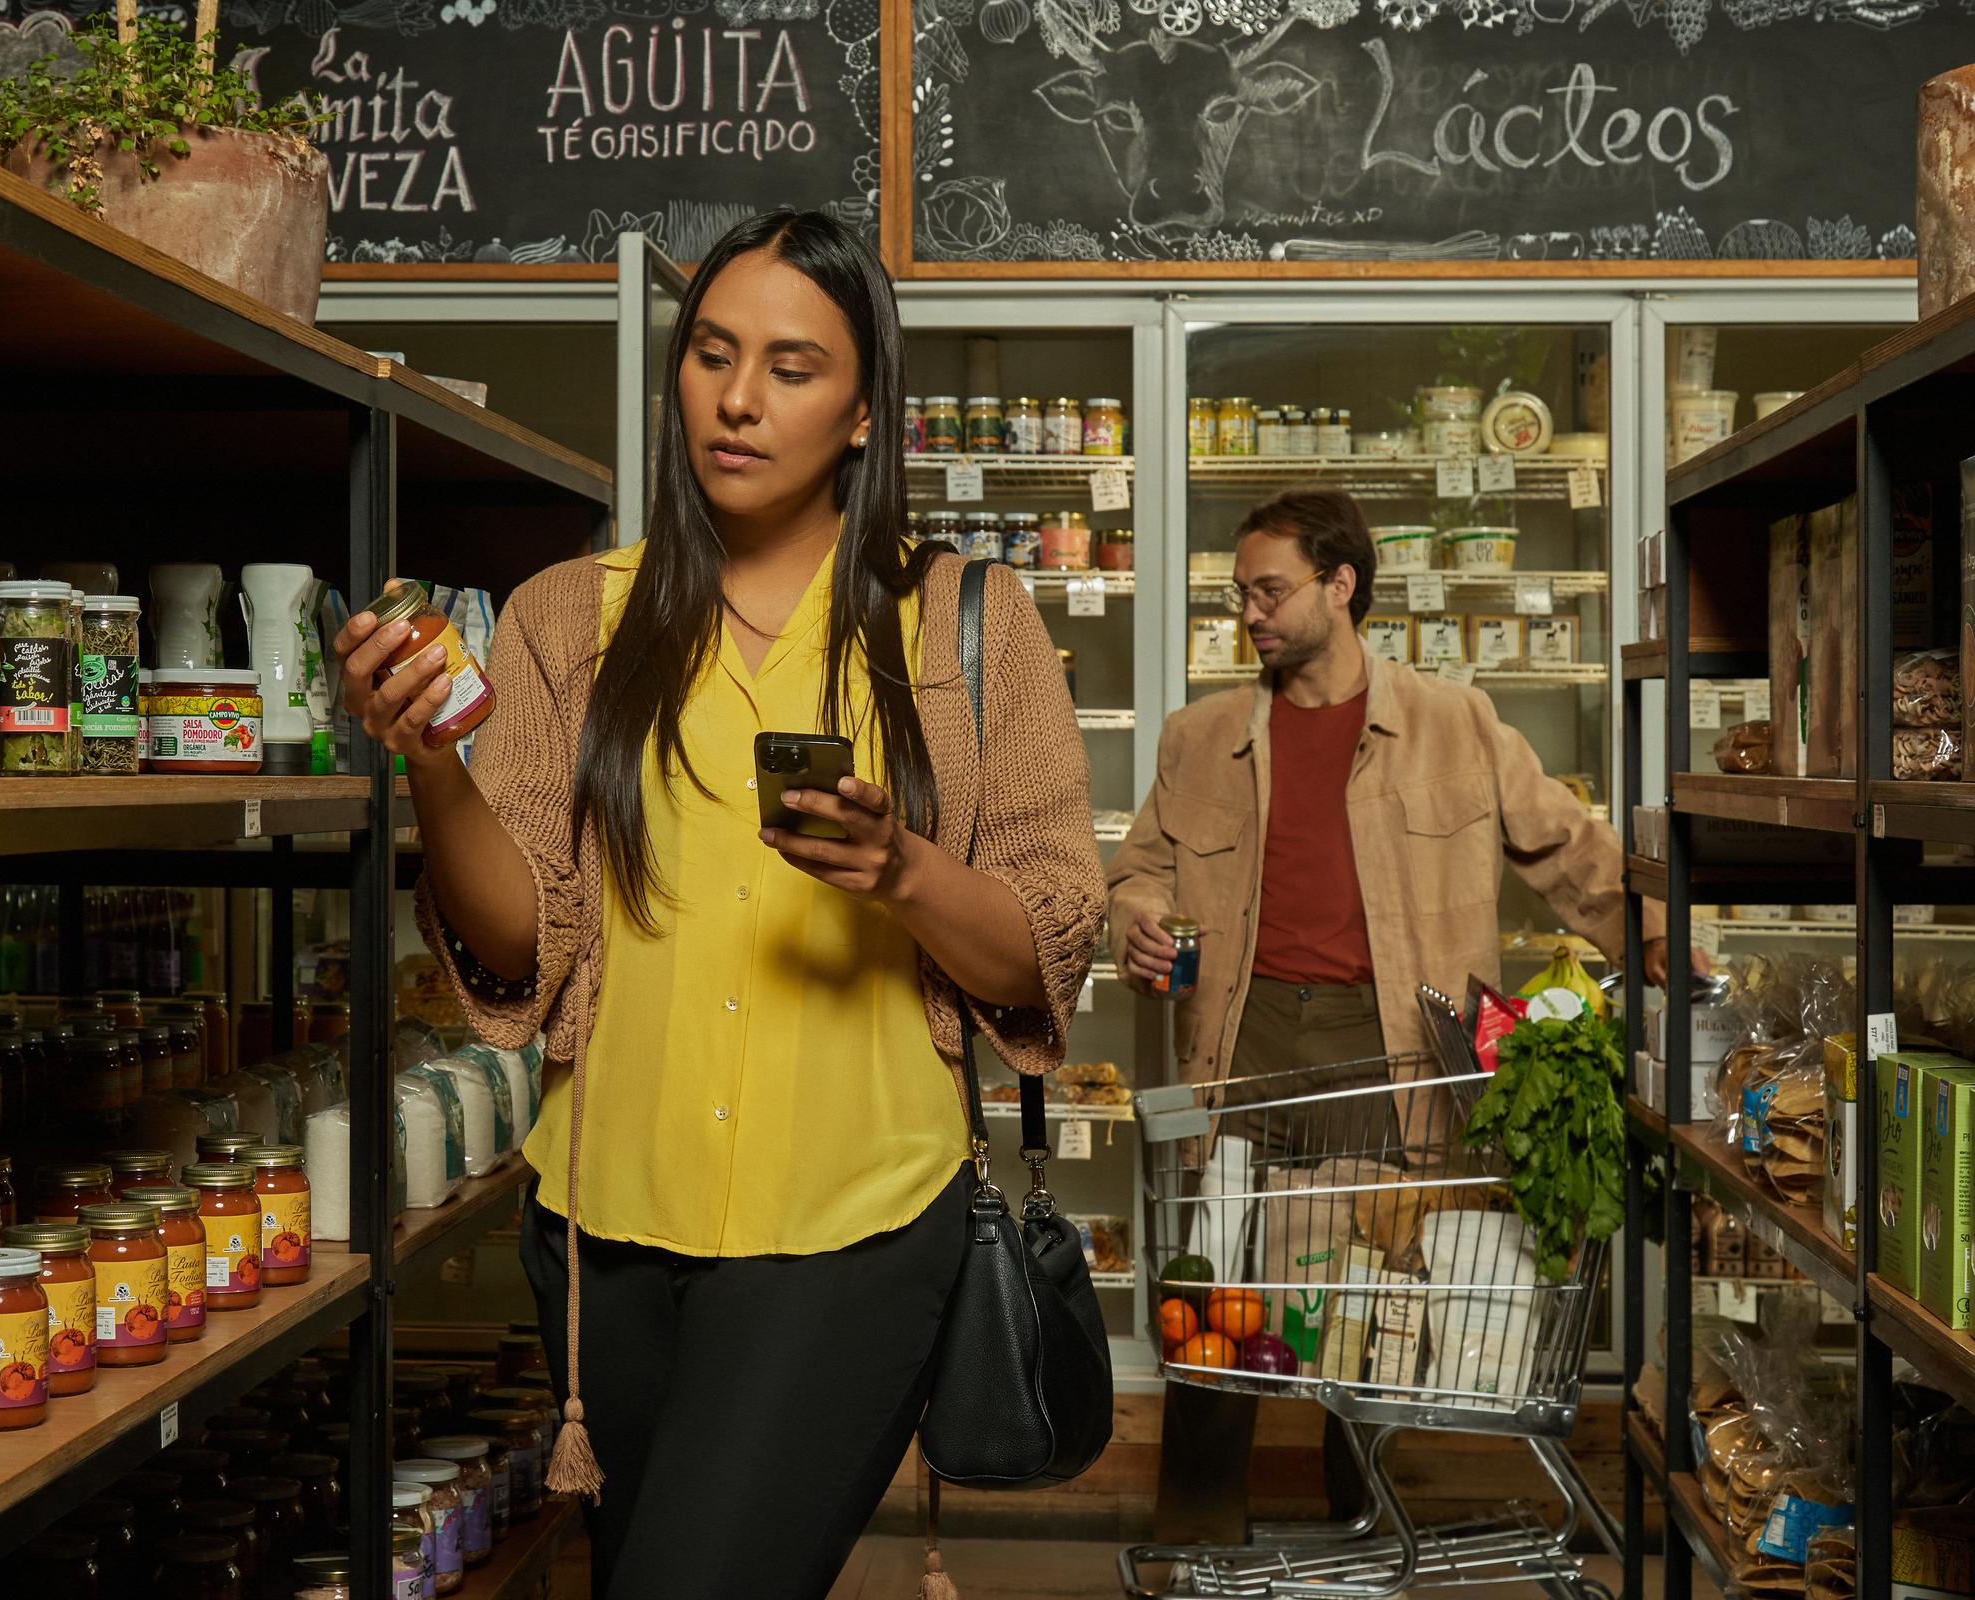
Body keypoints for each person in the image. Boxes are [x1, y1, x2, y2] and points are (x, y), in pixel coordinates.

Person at [336, 209, 1105, 1599]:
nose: (739, 398)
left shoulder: (962, 625)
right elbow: (520, 939)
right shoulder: (569, 618)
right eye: (712, 353)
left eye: (794, 366)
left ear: (865, 410)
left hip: (853, 1234)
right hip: (602, 1235)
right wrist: (432, 766)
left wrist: (904, 870)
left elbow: (1049, 946)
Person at [1105, 487, 1666, 1542]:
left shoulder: (1456, 724)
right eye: (1241, 594)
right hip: (1246, 1039)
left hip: (1392, 1048)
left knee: (1371, 1307)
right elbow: (1138, 870)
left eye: (1271, 591)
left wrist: (1658, 933)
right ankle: (1194, 1543)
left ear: (1341, 584)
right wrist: (1135, 916)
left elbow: (1568, 849)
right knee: (1217, 1301)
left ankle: (1362, 1535)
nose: (1251, 614)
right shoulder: (1202, 736)